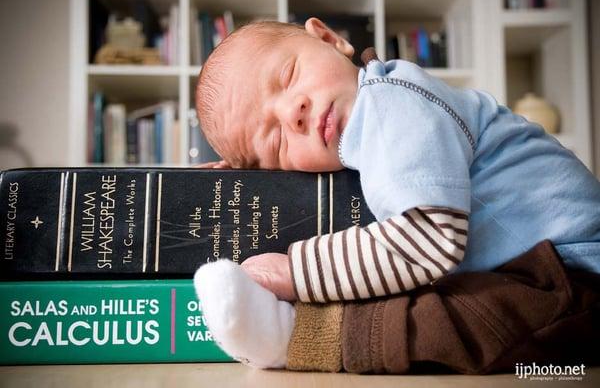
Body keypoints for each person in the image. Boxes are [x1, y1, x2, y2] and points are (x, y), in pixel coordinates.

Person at [192, 18, 600, 372]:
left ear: (330, 39)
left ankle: (299, 335)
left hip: (576, 269)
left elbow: (428, 241)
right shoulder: (368, 125)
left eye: (288, 75)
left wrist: (294, 272)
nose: (293, 112)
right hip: (536, 266)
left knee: (456, 325)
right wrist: (246, 183)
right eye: (276, 138)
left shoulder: (390, 101)